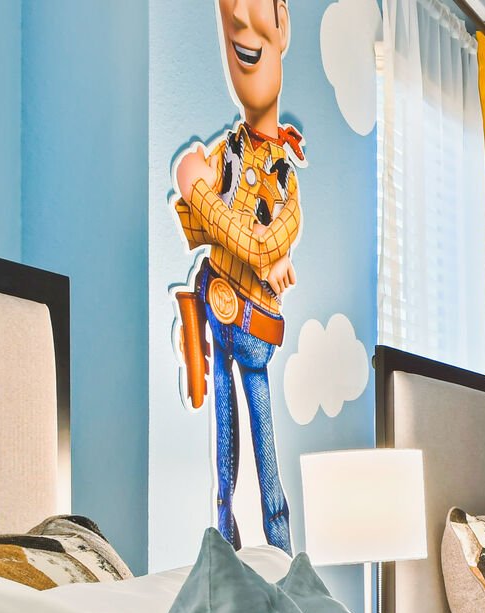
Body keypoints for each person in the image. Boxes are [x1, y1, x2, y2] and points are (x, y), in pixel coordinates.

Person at [172, 0, 302, 551]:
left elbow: (263, 240)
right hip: (215, 308)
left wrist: (204, 196)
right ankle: (225, 553)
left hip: (251, 327)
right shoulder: (227, 150)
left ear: (282, 24)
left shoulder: (285, 179)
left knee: (265, 457)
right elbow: (194, 206)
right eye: (235, 40)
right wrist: (255, 252)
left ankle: (283, 559)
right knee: (223, 465)